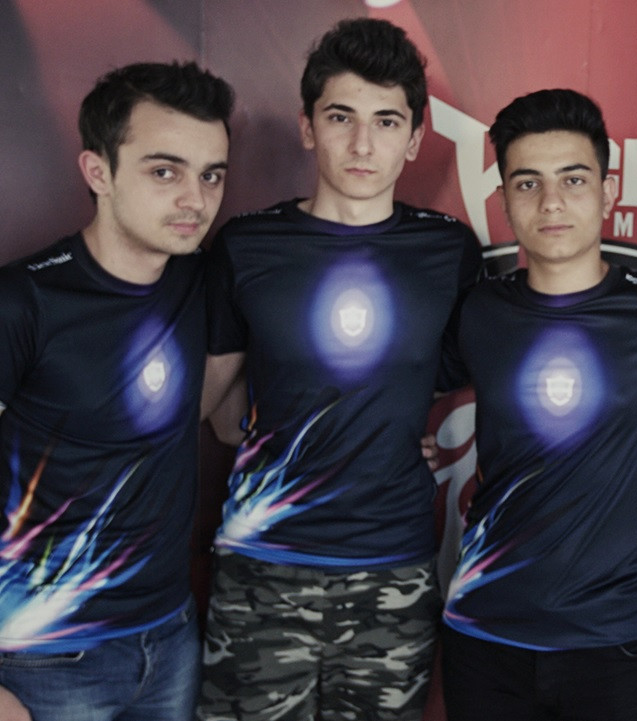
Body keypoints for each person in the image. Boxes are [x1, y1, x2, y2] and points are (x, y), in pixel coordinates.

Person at [197, 18, 480, 721]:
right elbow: (218, 411)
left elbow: (429, 374)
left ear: (413, 138)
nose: (362, 144)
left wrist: (383, 431)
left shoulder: (448, 251)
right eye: (340, 117)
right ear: (306, 126)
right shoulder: (247, 245)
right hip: (262, 568)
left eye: (386, 122)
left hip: (392, 572)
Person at [436, 88, 637, 721]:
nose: (552, 202)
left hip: (615, 643)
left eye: (573, 179)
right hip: (485, 634)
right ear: (504, 198)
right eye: (528, 183)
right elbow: (403, 386)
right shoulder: (481, 314)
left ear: (608, 190)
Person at [0, 61, 233, 720]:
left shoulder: (202, 281)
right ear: (98, 172)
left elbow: (223, 412)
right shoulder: (24, 302)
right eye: (165, 172)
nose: (195, 200)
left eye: (211, 174)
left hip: (170, 638)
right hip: (44, 659)